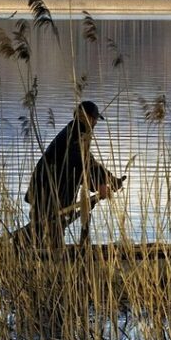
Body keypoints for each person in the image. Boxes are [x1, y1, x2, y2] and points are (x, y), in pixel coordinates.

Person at [24, 100, 123, 249]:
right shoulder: (74, 135)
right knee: (47, 232)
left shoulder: (76, 132)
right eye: (94, 118)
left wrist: (110, 179)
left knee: (48, 233)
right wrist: (101, 183)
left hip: (52, 193)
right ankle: (38, 260)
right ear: (87, 118)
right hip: (48, 193)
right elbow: (81, 163)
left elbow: (88, 161)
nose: (95, 123)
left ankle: (37, 255)